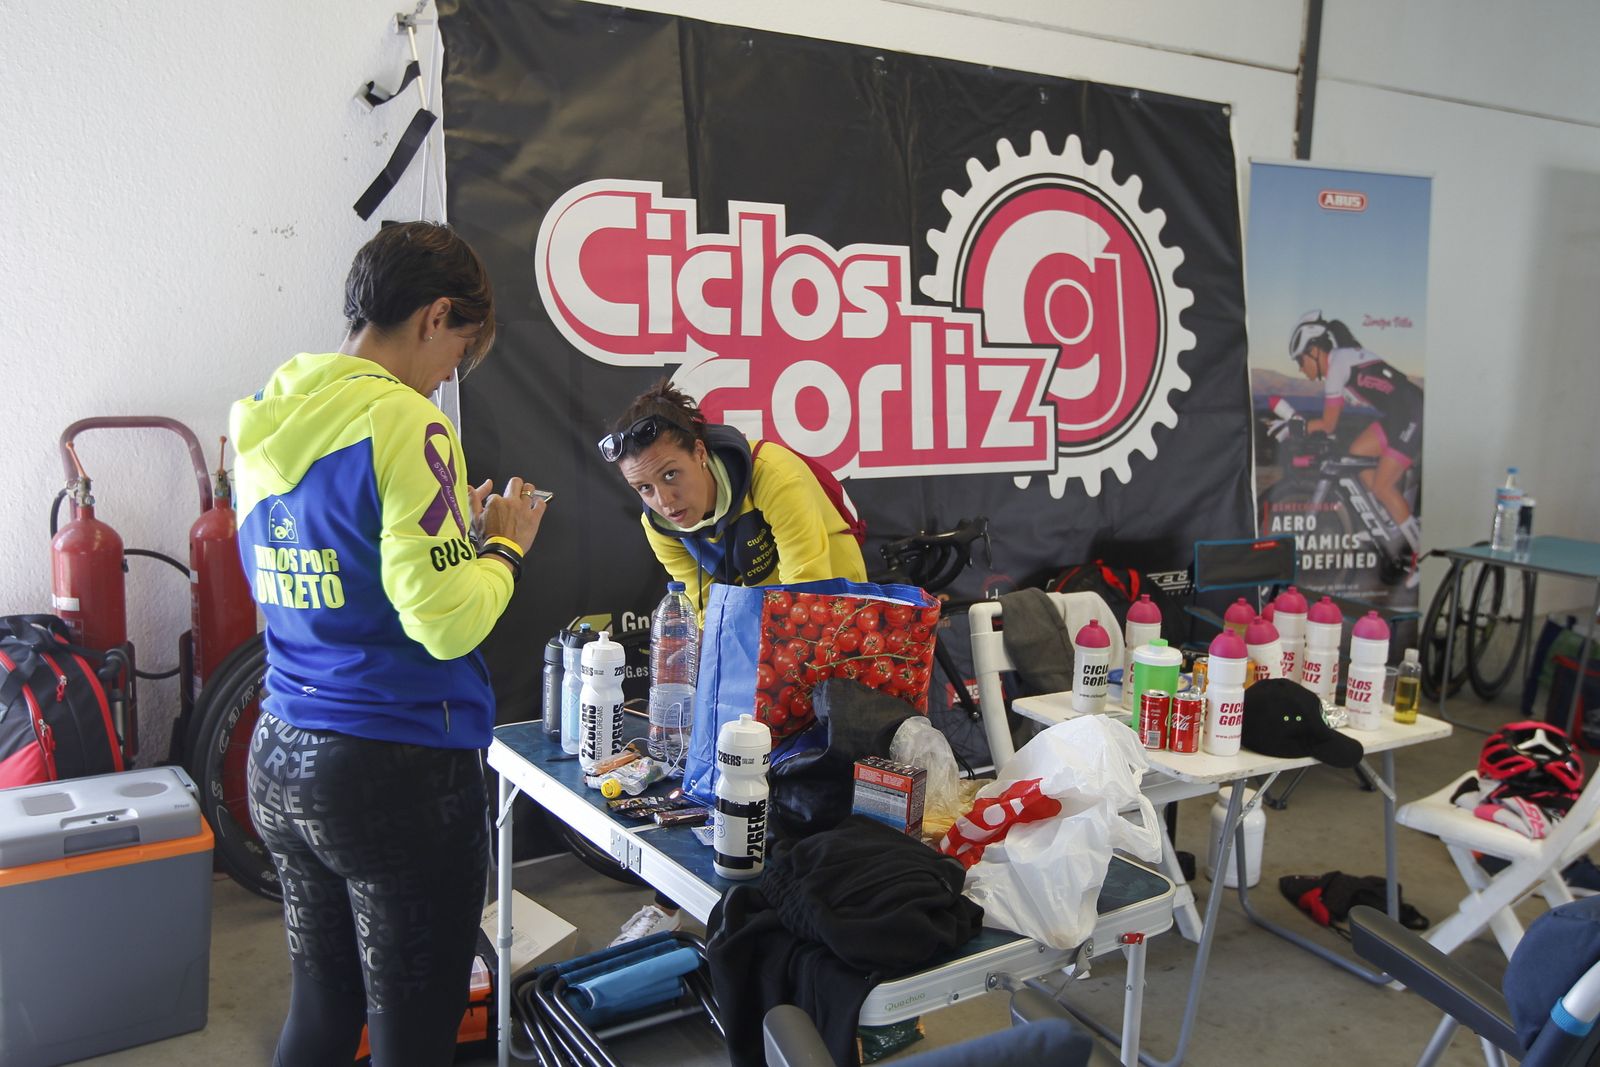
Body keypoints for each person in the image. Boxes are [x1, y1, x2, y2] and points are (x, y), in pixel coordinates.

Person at [232, 221, 546, 1067]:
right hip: (394, 767)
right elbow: (445, 620)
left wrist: (453, 534)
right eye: (460, 351)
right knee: (415, 1033)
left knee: (323, 1010)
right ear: (436, 313)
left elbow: (329, 575)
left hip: (284, 752)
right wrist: (503, 544)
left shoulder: (266, 418)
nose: (451, 374)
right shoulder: (405, 421)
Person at [598, 379, 867, 943]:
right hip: (759, 628)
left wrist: (774, 688)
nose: (664, 500)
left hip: (835, 622)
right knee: (718, 765)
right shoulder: (658, 524)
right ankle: (675, 909)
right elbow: (703, 615)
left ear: (700, 452)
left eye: (671, 474)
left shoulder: (774, 473)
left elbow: (809, 593)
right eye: (644, 488)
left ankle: (818, 919)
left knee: (812, 781)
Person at [1288, 310, 1424, 582]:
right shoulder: (1342, 359)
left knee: (1383, 485)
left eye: (1300, 361)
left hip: (1413, 413)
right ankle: (1390, 518)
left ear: (1314, 351)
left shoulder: (1337, 364)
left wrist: (1297, 424)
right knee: (1355, 455)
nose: (1300, 369)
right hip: (1399, 414)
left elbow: (1328, 424)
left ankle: (1418, 559)